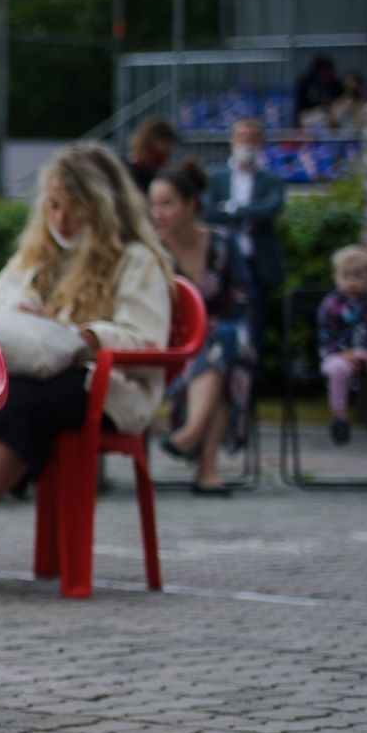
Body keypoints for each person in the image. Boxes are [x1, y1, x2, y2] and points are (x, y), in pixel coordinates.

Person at [0, 143, 171, 595]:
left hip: (106, 386)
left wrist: (81, 334)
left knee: (23, 403)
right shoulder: (35, 255)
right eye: (53, 206)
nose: (61, 221)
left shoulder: (136, 260)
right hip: (31, 379)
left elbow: (145, 339)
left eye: (76, 209)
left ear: (104, 210)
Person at [149, 160, 253, 494]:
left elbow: (241, 301)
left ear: (190, 204)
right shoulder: (152, 252)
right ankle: (207, 467)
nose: (158, 213)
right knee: (218, 354)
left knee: (220, 341)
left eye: (167, 203)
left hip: (221, 341)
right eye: (153, 204)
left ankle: (191, 435)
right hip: (171, 349)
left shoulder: (224, 244)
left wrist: (206, 327)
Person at [206, 118, 285, 347]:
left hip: (257, 263)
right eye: (242, 138)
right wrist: (250, 214)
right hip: (224, 265)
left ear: (261, 143)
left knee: (256, 328)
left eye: (252, 139)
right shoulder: (215, 177)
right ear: (232, 140)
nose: (247, 144)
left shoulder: (272, 179)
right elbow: (209, 212)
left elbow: (270, 209)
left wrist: (231, 208)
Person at [316, 245, 367, 445]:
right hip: (339, 356)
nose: (352, 282)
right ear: (337, 277)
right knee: (337, 370)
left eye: (358, 276)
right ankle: (339, 418)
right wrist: (343, 354)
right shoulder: (331, 303)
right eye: (346, 276)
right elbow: (326, 335)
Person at [123, 117, 179, 192]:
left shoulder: (153, 174)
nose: (166, 162)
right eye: (163, 153)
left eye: (168, 154)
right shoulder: (126, 173)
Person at [296, 56, 343, 126]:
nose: (327, 73)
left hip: (330, 114)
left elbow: (339, 101)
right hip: (311, 114)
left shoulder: (336, 84)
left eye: (329, 70)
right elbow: (301, 107)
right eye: (324, 70)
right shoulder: (306, 83)